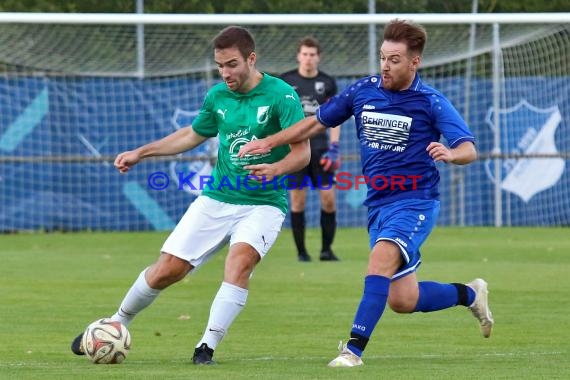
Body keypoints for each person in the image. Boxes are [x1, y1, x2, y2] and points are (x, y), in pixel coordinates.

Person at [238, 19, 494, 367]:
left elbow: (469, 148)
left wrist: (450, 153)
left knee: (379, 261)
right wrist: (270, 141)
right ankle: (470, 294)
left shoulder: (431, 101)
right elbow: (315, 122)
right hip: (378, 205)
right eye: (382, 58)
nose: (385, 66)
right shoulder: (363, 91)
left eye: (394, 60)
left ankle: (352, 351)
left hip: (415, 201)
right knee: (403, 299)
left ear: (414, 62)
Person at [70, 26, 309, 365]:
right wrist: (142, 152)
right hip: (216, 198)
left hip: (263, 204)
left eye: (232, 64)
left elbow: (303, 154)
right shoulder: (217, 97)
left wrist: (276, 168)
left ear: (251, 59)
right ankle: (114, 325)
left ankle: (205, 348)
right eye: (220, 65)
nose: (225, 73)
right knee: (167, 270)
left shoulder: (282, 96)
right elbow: (191, 135)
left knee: (238, 263)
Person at [280, 37, 341, 262]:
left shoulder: (327, 82)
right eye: (304, 54)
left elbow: (336, 118)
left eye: (312, 54)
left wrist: (334, 148)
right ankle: (301, 253)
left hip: (320, 149)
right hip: (294, 150)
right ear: (298, 56)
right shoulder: (285, 81)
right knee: (298, 201)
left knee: (328, 199)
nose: (308, 58)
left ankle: (326, 250)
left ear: (318, 57)